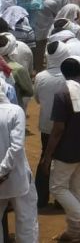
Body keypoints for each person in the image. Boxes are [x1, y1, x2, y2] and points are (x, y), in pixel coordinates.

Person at [40, 56, 80, 242]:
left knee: (57, 187)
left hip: (68, 148)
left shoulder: (62, 94)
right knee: (77, 184)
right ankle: (75, 230)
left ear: (63, 73)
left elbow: (58, 128)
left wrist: (48, 155)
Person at [0, 75, 38, 243]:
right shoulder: (15, 111)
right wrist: (2, 170)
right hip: (17, 176)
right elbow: (16, 147)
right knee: (26, 218)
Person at [33, 40, 71, 208]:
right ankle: (61, 200)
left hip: (47, 125)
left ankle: (41, 198)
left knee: (45, 156)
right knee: (64, 161)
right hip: (67, 126)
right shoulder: (69, 77)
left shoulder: (40, 76)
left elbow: (37, 99)